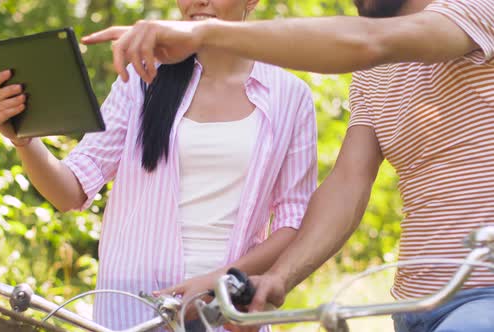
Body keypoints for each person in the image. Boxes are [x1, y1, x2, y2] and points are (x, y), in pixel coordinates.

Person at [81, 0, 494, 331]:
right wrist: (280, 277)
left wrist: (203, 32)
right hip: (415, 304)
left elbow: (370, 41)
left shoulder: (477, 8)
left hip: (484, 298)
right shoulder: (375, 76)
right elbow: (348, 183)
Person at [0, 0, 317, 329]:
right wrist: (24, 140)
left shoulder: (290, 96)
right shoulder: (142, 78)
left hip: (227, 310)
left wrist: (223, 280)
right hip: (133, 308)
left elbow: (293, 222)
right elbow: (69, 192)